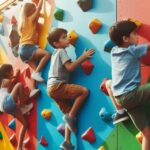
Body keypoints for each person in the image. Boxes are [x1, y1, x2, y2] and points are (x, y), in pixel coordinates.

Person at [47, 28, 95, 149]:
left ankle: (67, 142)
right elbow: (70, 68)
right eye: (63, 37)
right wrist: (83, 57)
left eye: (67, 36)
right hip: (57, 85)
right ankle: (71, 116)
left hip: (51, 88)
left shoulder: (55, 54)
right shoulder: (61, 51)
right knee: (84, 91)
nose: (67, 38)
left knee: (68, 113)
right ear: (56, 43)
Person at [109, 20, 150, 150]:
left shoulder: (114, 51)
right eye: (134, 34)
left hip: (123, 100)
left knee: (147, 134)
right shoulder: (132, 51)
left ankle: (120, 112)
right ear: (125, 38)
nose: (137, 36)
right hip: (130, 95)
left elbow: (119, 36)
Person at [0, 64, 39, 150]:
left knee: (25, 124)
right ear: (7, 73)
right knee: (19, 85)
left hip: (6, 107)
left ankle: (19, 147)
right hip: (7, 102)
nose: (13, 71)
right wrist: (16, 74)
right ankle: (24, 105)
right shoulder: (5, 80)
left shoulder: (2, 86)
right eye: (11, 70)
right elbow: (13, 80)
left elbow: (10, 90)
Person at [18, 0, 51, 82]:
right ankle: (36, 74)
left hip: (21, 50)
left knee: (36, 73)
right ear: (30, 12)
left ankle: (33, 89)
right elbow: (39, 9)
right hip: (27, 47)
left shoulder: (23, 22)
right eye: (33, 10)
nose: (35, 12)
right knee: (47, 54)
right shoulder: (30, 19)